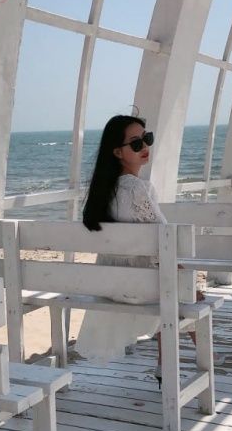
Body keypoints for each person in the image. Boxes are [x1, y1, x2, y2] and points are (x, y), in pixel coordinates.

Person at [75, 114, 178, 376]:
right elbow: (165, 241)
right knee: (179, 287)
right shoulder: (136, 189)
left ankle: (165, 363)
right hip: (140, 289)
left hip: (109, 286)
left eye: (147, 138)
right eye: (136, 143)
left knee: (174, 283)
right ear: (117, 152)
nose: (145, 146)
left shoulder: (102, 192)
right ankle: (169, 364)